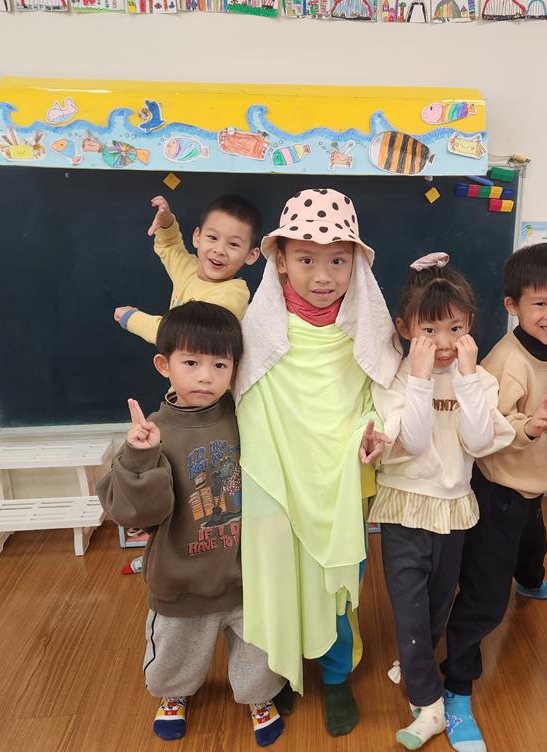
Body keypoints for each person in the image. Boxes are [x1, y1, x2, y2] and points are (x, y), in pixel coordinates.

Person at [234, 188, 402, 736]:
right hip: (278, 480)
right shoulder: (260, 329)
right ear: (280, 260)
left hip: (342, 481)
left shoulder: (369, 329)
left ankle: (336, 677)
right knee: (279, 578)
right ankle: (282, 670)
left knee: (339, 587)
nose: (323, 276)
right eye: (306, 259)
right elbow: (248, 399)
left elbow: (383, 396)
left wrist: (374, 432)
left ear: (356, 263)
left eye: (338, 260)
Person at [96, 301, 284, 746]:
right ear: (164, 365)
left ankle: (259, 697)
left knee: (257, 647)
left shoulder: (246, 416)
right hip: (181, 580)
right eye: (191, 362)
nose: (205, 376)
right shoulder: (152, 432)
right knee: (176, 652)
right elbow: (137, 514)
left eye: (220, 364)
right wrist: (140, 457)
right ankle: (174, 694)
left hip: (246, 576)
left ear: (235, 368)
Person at [439, 242, 547, 752]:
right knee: (484, 597)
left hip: (531, 487)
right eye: (540, 304)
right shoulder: (507, 362)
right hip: (499, 490)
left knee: (533, 545)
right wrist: (529, 426)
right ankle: (456, 686)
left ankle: (533, 582)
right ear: (512, 305)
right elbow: (486, 431)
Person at [370, 253, 513, 749]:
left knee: (436, 604)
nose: (445, 342)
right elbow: (411, 440)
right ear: (405, 329)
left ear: (470, 324)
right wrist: (420, 378)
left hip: (453, 507)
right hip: (405, 505)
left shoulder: (480, 380)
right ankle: (428, 705)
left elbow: (479, 441)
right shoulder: (396, 377)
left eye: (455, 328)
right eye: (429, 330)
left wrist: (468, 380)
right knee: (409, 608)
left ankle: (413, 659)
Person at [114, 194, 262, 342]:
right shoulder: (189, 270)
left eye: (233, 244)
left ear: (251, 255)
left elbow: (186, 335)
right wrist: (167, 224)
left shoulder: (232, 295)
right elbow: (170, 246)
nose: (219, 250)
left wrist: (132, 319)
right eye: (212, 237)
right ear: (197, 237)